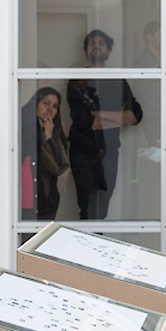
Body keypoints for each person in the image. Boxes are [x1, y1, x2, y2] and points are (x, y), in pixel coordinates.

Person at [66, 29, 143, 220]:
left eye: (101, 43)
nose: (96, 46)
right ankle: (86, 248)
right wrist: (117, 115)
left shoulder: (117, 80)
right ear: (85, 51)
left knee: (102, 209)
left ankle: (97, 247)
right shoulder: (77, 81)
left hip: (109, 152)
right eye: (92, 43)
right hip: (83, 153)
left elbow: (134, 116)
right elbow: (86, 121)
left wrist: (100, 116)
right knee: (87, 209)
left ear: (108, 51)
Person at [20, 87, 69, 220]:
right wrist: (45, 140)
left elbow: (58, 167)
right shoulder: (21, 128)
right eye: (46, 103)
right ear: (36, 104)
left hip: (47, 201)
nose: (50, 109)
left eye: (55, 106)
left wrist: (49, 138)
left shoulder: (55, 132)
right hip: (26, 200)